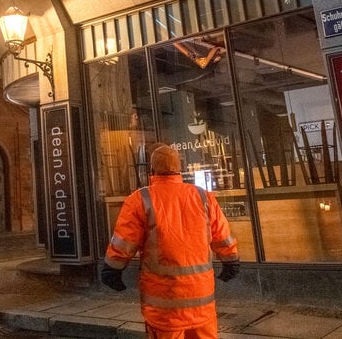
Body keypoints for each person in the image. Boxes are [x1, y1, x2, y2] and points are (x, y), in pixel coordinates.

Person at [101, 144, 239, 339]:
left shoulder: (140, 199)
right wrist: (231, 261)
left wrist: (112, 269)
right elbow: (222, 235)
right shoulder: (203, 197)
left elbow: (123, 242)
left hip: (164, 304)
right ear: (179, 167)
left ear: (152, 169)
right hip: (201, 300)